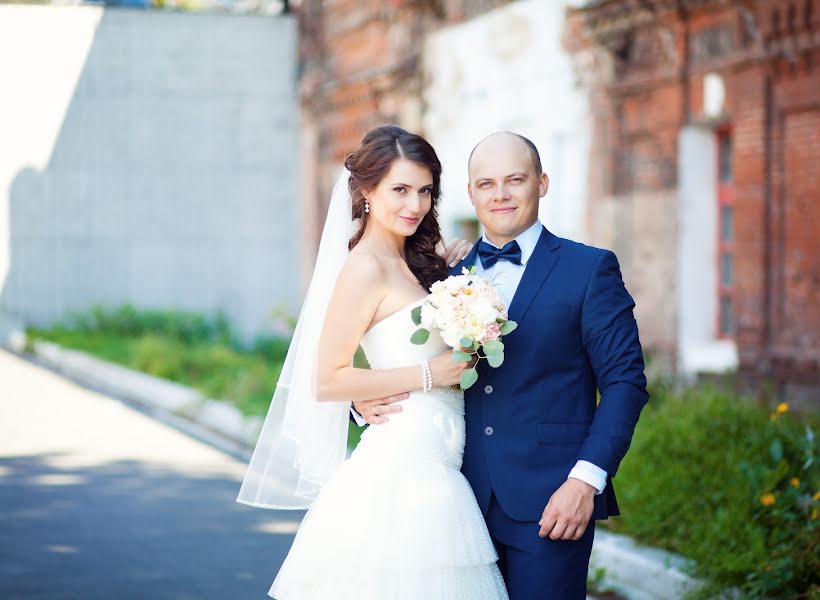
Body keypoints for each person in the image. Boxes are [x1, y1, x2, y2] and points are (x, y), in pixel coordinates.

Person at [354, 132, 649, 600]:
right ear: (470, 194)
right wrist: (363, 400)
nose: (501, 194)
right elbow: (411, 359)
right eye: (486, 183)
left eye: (515, 180)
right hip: (455, 502)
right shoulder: (444, 274)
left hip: (552, 502)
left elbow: (625, 383)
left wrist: (585, 481)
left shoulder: (589, 269)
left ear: (542, 183)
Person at [237, 125, 508, 599]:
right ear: (366, 190)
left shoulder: (418, 262)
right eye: (400, 190)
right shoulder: (363, 267)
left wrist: (453, 278)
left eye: (425, 191)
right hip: (401, 466)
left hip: (441, 460)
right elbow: (327, 377)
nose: (415, 204)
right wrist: (429, 373)